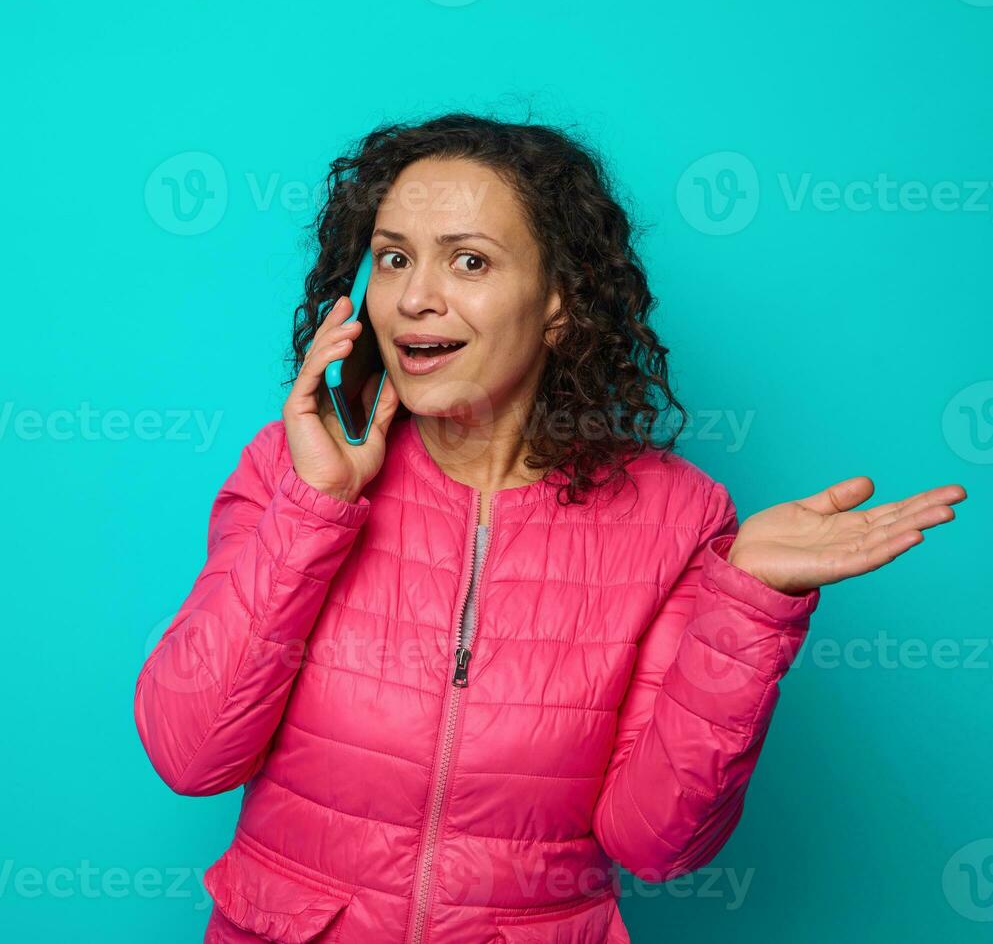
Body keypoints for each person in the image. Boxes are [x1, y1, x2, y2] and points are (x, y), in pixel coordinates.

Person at [133, 113, 966, 943]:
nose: (416, 296)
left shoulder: (676, 516)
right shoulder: (294, 467)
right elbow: (189, 752)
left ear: (558, 303)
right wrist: (316, 508)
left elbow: (655, 842)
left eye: (468, 260)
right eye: (393, 258)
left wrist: (747, 608)